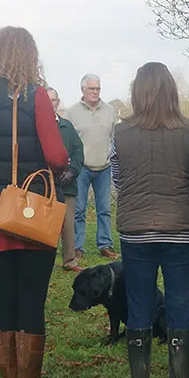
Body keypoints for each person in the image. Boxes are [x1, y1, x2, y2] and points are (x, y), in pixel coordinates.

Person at [0, 27, 71, 378]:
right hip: (30, 214)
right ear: (28, 57)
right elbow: (56, 155)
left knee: (4, 299)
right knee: (31, 300)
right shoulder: (33, 97)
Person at [111, 62, 189, 378]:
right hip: (181, 229)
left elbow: (118, 178)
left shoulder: (120, 132)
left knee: (138, 304)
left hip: (136, 231)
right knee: (180, 305)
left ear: (137, 91)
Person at [68, 74, 117, 261]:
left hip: (104, 167)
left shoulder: (110, 110)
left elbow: (114, 138)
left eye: (98, 88)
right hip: (82, 168)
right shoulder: (72, 112)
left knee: (104, 209)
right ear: (83, 90)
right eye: (91, 89)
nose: (95, 92)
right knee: (79, 209)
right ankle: (77, 247)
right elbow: (70, 141)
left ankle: (105, 244)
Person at [47, 88, 85, 272]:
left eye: (54, 100)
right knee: (46, 224)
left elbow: (78, 150)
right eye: (47, 100)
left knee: (68, 223)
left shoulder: (66, 126)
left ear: (58, 102)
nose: (51, 103)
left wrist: (73, 170)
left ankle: (69, 260)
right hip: (46, 185)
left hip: (67, 185)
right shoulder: (35, 126)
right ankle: (45, 261)